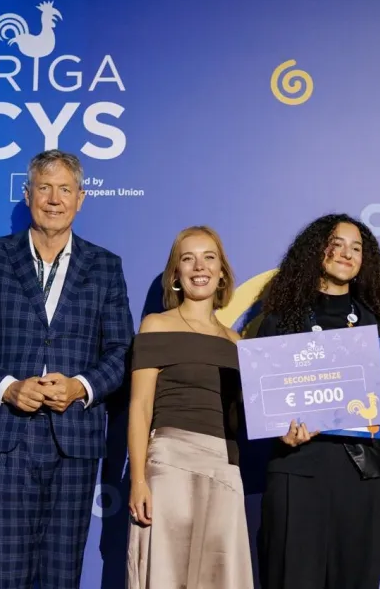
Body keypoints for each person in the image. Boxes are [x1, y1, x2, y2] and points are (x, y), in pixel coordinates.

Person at [0, 149, 134, 589]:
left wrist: (81, 386)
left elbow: (122, 351)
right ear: (28, 194)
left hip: (75, 439)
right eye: (44, 188)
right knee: (8, 573)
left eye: (65, 189)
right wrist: (7, 387)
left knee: (63, 574)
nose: (54, 199)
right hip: (6, 438)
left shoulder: (105, 266)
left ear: (80, 198)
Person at [254, 213, 380, 589]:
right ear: (316, 251)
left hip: (363, 477)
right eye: (336, 245)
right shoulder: (279, 322)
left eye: (356, 248)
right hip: (299, 472)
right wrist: (280, 430)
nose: (346, 254)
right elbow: (260, 404)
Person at [126, 225, 254, 589]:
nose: (200, 266)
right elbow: (140, 406)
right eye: (188, 258)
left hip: (225, 467)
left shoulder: (237, 343)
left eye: (209, 257)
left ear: (222, 272)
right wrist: (138, 480)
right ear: (176, 275)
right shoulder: (155, 326)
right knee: (166, 574)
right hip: (169, 466)